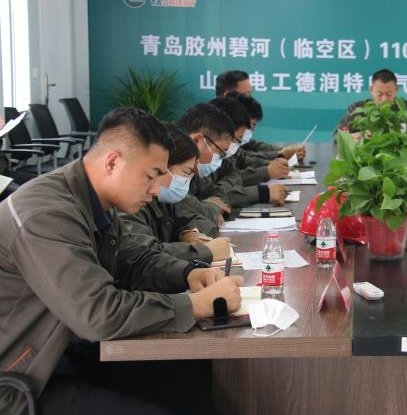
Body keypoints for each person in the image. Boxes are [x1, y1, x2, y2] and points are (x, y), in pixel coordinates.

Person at [0, 107, 243, 415]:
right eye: (152, 175)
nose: (157, 188)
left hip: (60, 352)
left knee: (191, 379)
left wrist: (189, 274)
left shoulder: (93, 201)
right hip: (20, 383)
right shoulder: (46, 215)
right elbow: (98, 314)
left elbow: (134, 261)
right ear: (113, 162)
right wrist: (195, 305)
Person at [119, 122, 230, 264]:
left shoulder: (163, 198)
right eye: (186, 172)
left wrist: (189, 232)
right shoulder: (129, 202)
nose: (154, 189)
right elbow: (144, 256)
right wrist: (204, 252)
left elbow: (198, 218)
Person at [335, 68, 407, 133]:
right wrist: (351, 138)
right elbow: (338, 134)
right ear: (371, 90)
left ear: (396, 90)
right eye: (379, 94)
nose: (384, 99)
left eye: (389, 94)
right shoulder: (357, 108)